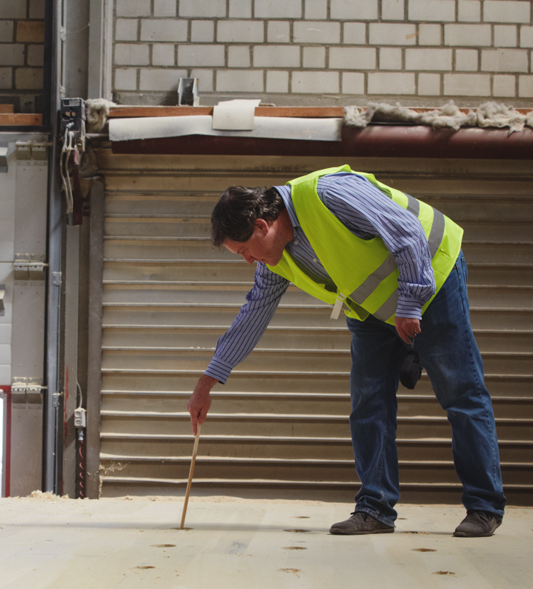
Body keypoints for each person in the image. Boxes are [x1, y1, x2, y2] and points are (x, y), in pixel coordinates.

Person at [186, 165, 505, 537]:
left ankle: (484, 506)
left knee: (460, 391)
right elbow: (254, 312)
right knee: (368, 401)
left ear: (261, 226)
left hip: (431, 275)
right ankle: (375, 508)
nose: (247, 260)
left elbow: (406, 231)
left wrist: (410, 303)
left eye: (244, 251)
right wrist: (207, 382)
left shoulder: (326, 193)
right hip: (371, 308)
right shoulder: (277, 259)